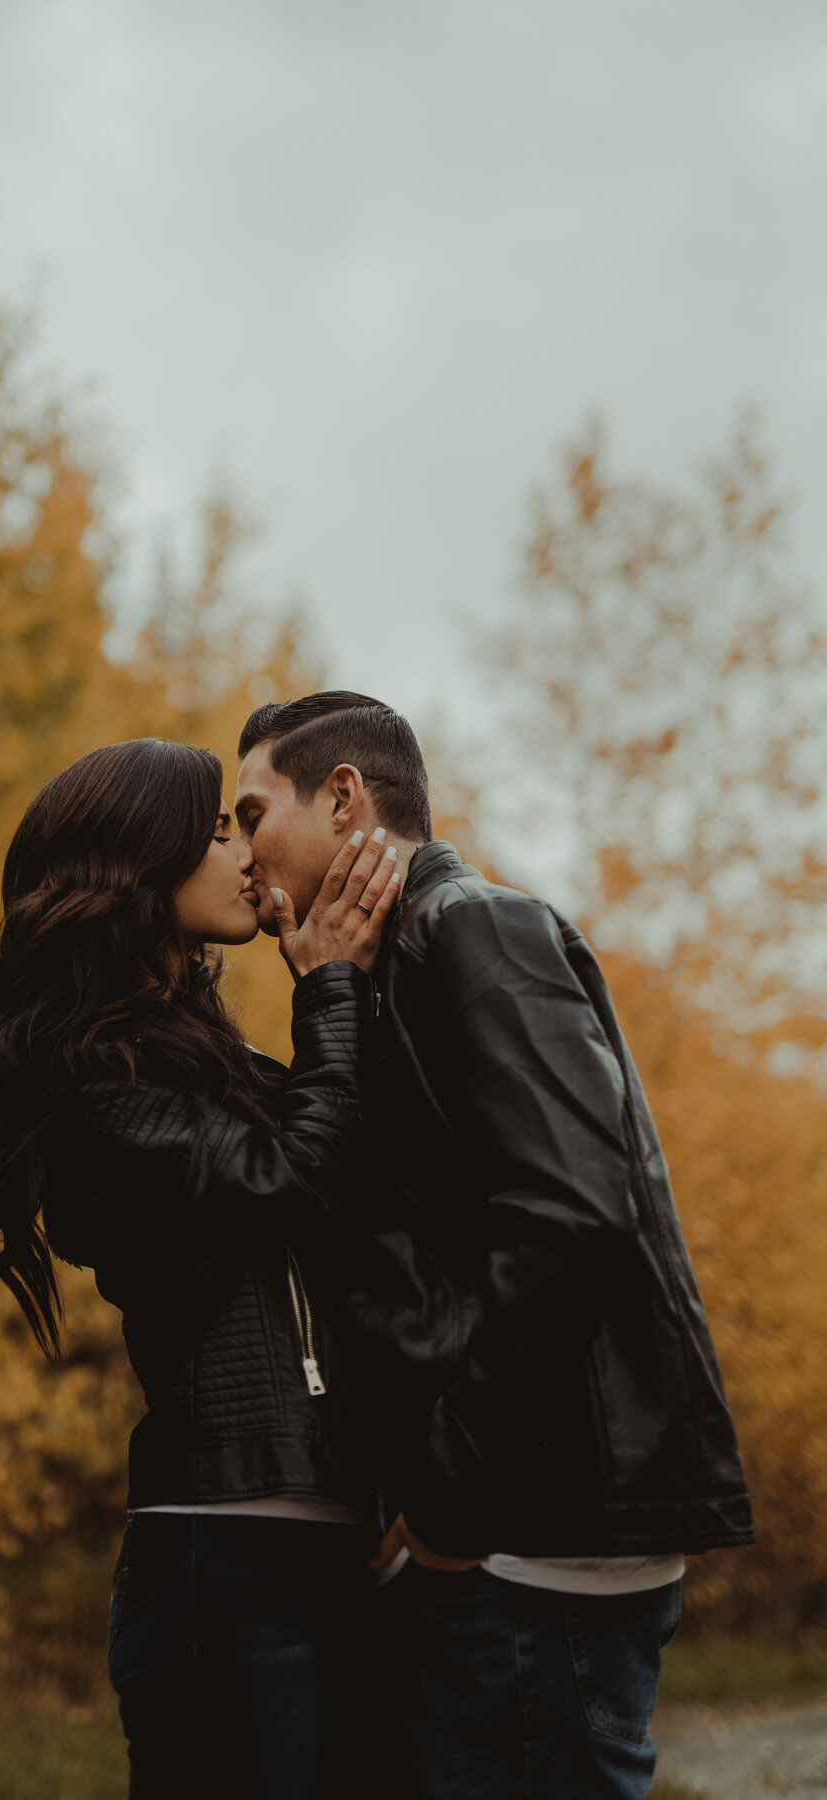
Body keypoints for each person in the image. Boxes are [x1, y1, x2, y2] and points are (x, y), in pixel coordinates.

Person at [234, 691, 755, 1800]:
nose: (240, 851)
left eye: (251, 811)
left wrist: (446, 1506)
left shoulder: (470, 928)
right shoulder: (391, 964)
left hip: (533, 1538)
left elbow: (571, 1216)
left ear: (343, 797)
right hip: (506, 1529)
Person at [0, 736, 403, 1800]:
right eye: (218, 829)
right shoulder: (89, 1081)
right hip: (220, 1560)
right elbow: (291, 1178)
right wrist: (328, 993)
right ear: (141, 862)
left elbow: (352, 1191)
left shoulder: (204, 1057)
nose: (243, 853)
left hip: (341, 1535)